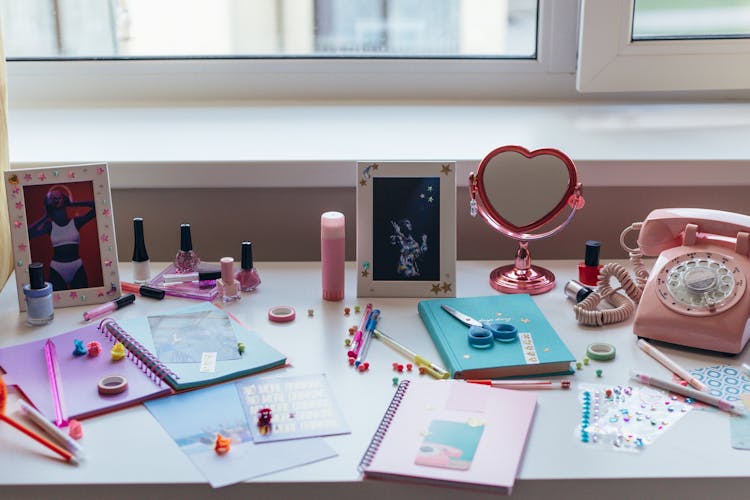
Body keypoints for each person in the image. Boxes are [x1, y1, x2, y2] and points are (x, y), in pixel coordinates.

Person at [27, 185, 96, 290]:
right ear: (48, 202)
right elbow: (27, 234)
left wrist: (72, 203)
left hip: (76, 266)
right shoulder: (49, 226)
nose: (56, 200)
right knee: (57, 303)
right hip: (57, 268)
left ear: (65, 199)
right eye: (52, 198)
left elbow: (97, 207)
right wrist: (45, 216)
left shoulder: (76, 222)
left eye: (59, 197)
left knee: (82, 298)